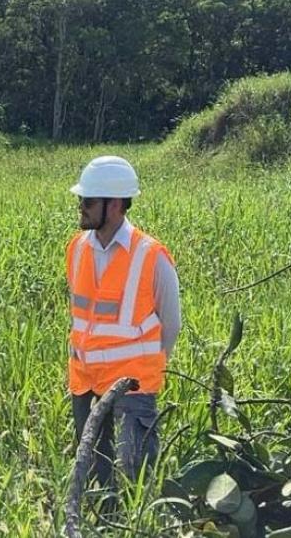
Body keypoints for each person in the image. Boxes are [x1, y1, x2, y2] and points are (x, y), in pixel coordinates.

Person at [66, 156, 181, 489]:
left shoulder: (151, 255)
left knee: (134, 471)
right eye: (80, 200)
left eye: (87, 201)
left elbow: (171, 324)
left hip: (133, 385)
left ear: (114, 204)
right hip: (85, 380)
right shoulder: (75, 249)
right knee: (95, 474)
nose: (81, 207)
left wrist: (145, 365)